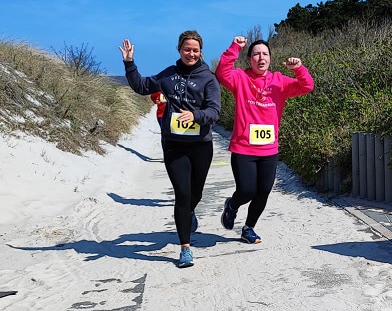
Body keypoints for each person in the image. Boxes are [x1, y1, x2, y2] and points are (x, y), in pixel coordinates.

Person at [119, 30, 221, 268]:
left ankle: (190, 212)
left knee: (195, 194)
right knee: (182, 195)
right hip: (174, 145)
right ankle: (185, 247)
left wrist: (195, 115)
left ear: (201, 51)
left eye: (195, 50)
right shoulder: (169, 75)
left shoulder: (209, 78)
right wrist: (129, 63)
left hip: (201, 145)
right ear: (179, 50)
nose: (191, 54)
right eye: (187, 49)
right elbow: (142, 86)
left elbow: (215, 111)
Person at [215, 36, 314, 244]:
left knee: (263, 192)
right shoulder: (240, 79)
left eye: (265, 54)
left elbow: (307, 86)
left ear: (270, 58)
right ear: (249, 59)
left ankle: (249, 228)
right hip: (243, 149)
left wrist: (299, 69)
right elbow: (222, 72)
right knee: (247, 190)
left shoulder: (280, 81)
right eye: (256, 54)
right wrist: (235, 47)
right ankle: (232, 206)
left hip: (269, 150)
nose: (261, 57)